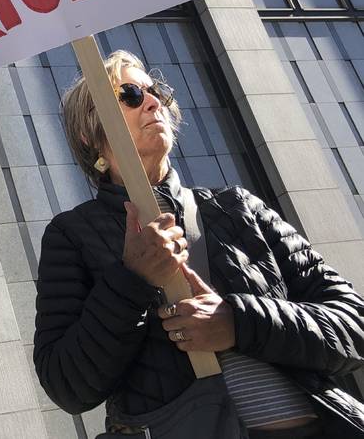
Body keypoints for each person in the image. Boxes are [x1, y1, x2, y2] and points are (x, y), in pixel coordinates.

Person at [34, 49, 364, 438]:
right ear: (90, 134)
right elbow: (67, 385)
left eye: (155, 91)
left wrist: (238, 321)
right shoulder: (72, 234)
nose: (154, 102)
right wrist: (131, 281)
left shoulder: (238, 207)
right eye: (130, 95)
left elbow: (353, 324)